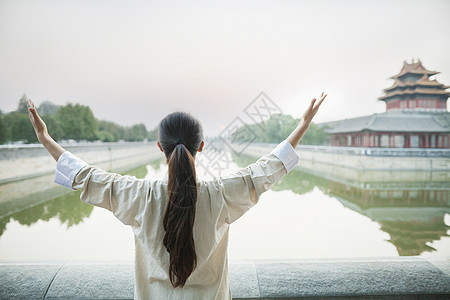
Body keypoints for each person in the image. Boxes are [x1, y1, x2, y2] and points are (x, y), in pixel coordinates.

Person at [27, 92, 327, 300]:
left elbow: (87, 177)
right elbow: (265, 171)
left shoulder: (140, 196)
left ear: (160, 147)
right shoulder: (220, 195)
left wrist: (45, 138)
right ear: (202, 146)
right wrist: (302, 125)